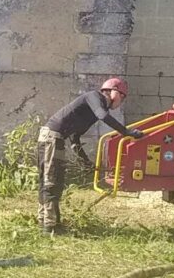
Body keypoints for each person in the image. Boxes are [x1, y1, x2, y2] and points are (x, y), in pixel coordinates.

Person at [38, 77, 144, 234]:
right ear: (113, 91)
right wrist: (126, 132)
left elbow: (75, 138)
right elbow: (103, 116)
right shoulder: (94, 97)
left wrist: (85, 161)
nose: (121, 101)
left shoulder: (95, 110)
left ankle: (48, 221)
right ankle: (49, 226)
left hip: (56, 138)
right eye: (122, 96)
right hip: (52, 138)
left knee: (55, 179)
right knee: (51, 179)